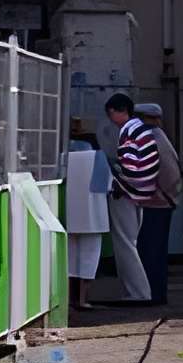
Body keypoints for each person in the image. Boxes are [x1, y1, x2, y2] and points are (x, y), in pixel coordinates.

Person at [107, 95, 176, 308]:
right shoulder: (159, 137)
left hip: (155, 202)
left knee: (148, 251)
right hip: (162, 201)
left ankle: (148, 295)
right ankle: (155, 294)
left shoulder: (147, 138)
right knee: (153, 251)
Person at [60, 117, 111, 299]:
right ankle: (83, 297)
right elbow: (107, 185)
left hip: (68, 214)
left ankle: (68, 298)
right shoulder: (98, 157)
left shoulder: (64, 156)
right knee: (90, 257)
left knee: (70, 257)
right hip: (94, 216)